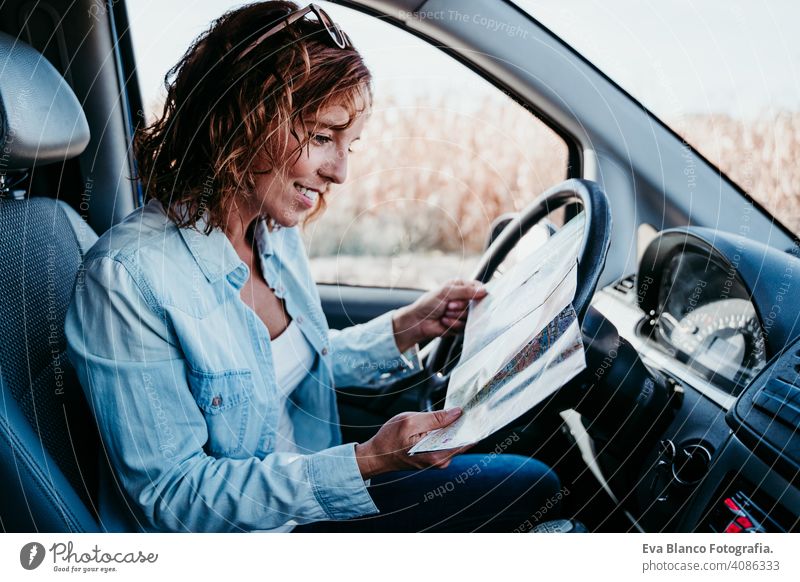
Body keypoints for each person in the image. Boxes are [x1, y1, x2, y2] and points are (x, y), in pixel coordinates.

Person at [65, 1, 561, 532]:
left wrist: (407, 326)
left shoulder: (273, 234)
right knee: (533, 487)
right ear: (240, 122)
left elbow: (286, 365)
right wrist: (368, 460)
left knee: (531, 477)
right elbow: (173, 498)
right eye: (322, 137)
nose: (341, 172)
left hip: (308, 492)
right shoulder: (127, 279)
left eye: (350, 145)